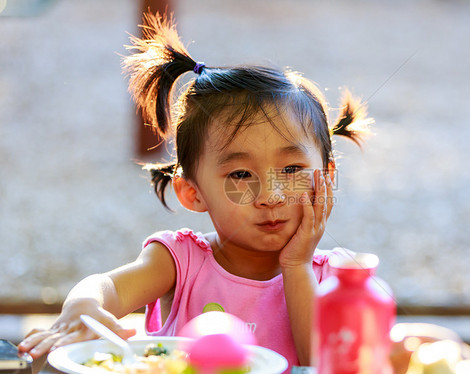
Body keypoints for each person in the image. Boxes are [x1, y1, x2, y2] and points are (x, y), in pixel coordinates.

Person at [18, 12, 439, 373]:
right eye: (240, 175)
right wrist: (81, 304)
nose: (270, 195)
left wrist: (296, 265)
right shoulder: (180, 262)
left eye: (292, 168)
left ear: (326, 178)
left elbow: (321, 360)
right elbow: (107, 288)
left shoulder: (335, 285)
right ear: (192, 193)